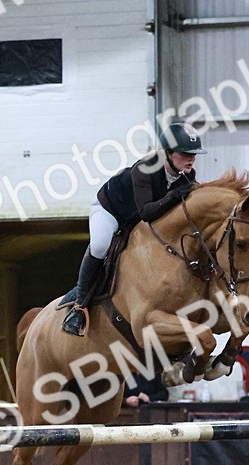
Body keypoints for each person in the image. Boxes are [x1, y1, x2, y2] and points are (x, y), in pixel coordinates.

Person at [61, 121, 207, 337]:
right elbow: (147, 212)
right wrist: (174, 195)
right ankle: (79, 307)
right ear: (168, 153)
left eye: (193, 154)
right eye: (185, 153)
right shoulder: (145, 169)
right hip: (111, 210)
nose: (191, 158)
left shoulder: (187, 176)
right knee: (101, 246)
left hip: (135, 220)